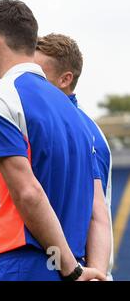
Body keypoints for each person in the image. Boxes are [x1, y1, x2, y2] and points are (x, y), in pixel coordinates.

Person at [0, 0, 108, 280]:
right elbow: (98, 214)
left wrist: (70, 269)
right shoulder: (79, 118)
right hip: (74, 266)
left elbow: (28, 192)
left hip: (25, 264)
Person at [34, 33, 113, 279]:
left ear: (65, 79)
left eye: (39, 74)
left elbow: (95, 212)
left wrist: (95, 274)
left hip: (75, 270)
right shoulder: (49, 121)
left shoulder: (83, 129)